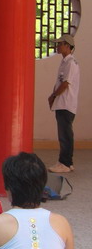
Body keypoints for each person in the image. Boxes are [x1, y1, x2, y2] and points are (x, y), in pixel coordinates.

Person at [47, 34, 79, 173]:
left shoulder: (71, 63)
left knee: (65, 135)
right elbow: (60, 82)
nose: (57, 46)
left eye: (60, 44)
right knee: (64, 134)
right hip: (62, 103)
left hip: (66, 104)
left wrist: (53, 96)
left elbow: (65, 84)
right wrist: (53, 97)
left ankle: (65, 163)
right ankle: (67, 162)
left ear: (67, 45)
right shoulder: (64, 62)